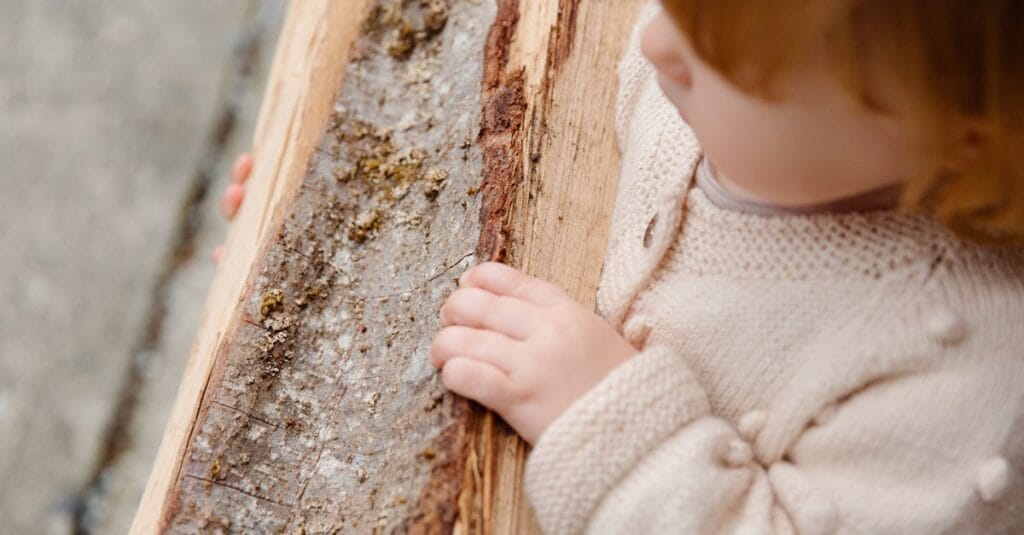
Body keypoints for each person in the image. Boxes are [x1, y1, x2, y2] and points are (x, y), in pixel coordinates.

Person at [222, 1, 1024, 531]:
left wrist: (614, 424)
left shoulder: (958, 390)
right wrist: (341, 217)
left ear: (959, 136)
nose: (655, 41)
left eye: (722, 64)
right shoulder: (742, 62)